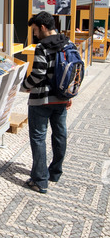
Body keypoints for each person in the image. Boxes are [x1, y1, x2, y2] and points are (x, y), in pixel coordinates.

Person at [20, 11, 73, 194]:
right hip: (61, 99)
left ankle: (40, 180)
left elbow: (38, 73)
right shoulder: (68, 43)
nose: (35, 35)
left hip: (41, 101)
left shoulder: (42, 47)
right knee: (60, 136)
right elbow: (74, 72)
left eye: (35, 30)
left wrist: (24, 85)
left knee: (38, 138)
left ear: (42, 27)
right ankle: (55, 172)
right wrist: (68, 95)